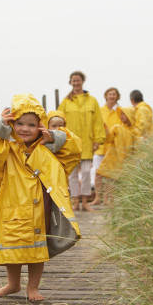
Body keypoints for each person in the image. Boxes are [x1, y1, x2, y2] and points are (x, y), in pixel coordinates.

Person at [0, 94, 82, 301]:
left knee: (37, 247)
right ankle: (13, 284)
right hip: (13, 208)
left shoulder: (47, 151)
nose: (25, 129)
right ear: (12, 124)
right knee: (13, 246)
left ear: (41, 127)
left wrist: (54, 138)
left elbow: (74, 150)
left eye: (32, 125)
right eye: (19, 123)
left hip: (40, 206)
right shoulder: (6, 151)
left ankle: (32, 287)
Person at [58, 71, 106, 212]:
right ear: (70, 82)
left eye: (78, 80)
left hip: (87, 143)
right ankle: (75, 203)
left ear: (83, 81)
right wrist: (60, 138)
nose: (76, 83)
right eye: (73, 80)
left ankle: (85, 203)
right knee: (72, 174)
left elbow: (98, 121)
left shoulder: (92, 101)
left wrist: (98, 139)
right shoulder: (66, 102)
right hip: (70, 142)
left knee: (85, 172)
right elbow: (59, 120)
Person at [96, 106, 137, 205]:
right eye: (121, 114)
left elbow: (135, 147)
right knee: (101, 174)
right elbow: (108, 140)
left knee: (113, 179)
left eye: (124, 114)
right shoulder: (117, 127)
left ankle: (111, 200)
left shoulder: (134, 131)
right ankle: (102, 198)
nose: (122, 116)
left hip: (125, 158)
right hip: (112, 156)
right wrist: (105, 129)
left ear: (130, 115)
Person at [89, 87, 122, 206]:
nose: (112, 96)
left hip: (113, 146)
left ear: (117, 96)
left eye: (114, 94)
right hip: (100, 146)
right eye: (110, 94)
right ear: (106, 96)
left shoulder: (120, 111)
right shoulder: (100, 110)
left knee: (110, 174)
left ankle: (109, 199)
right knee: (98, 173)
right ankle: (98, 197)